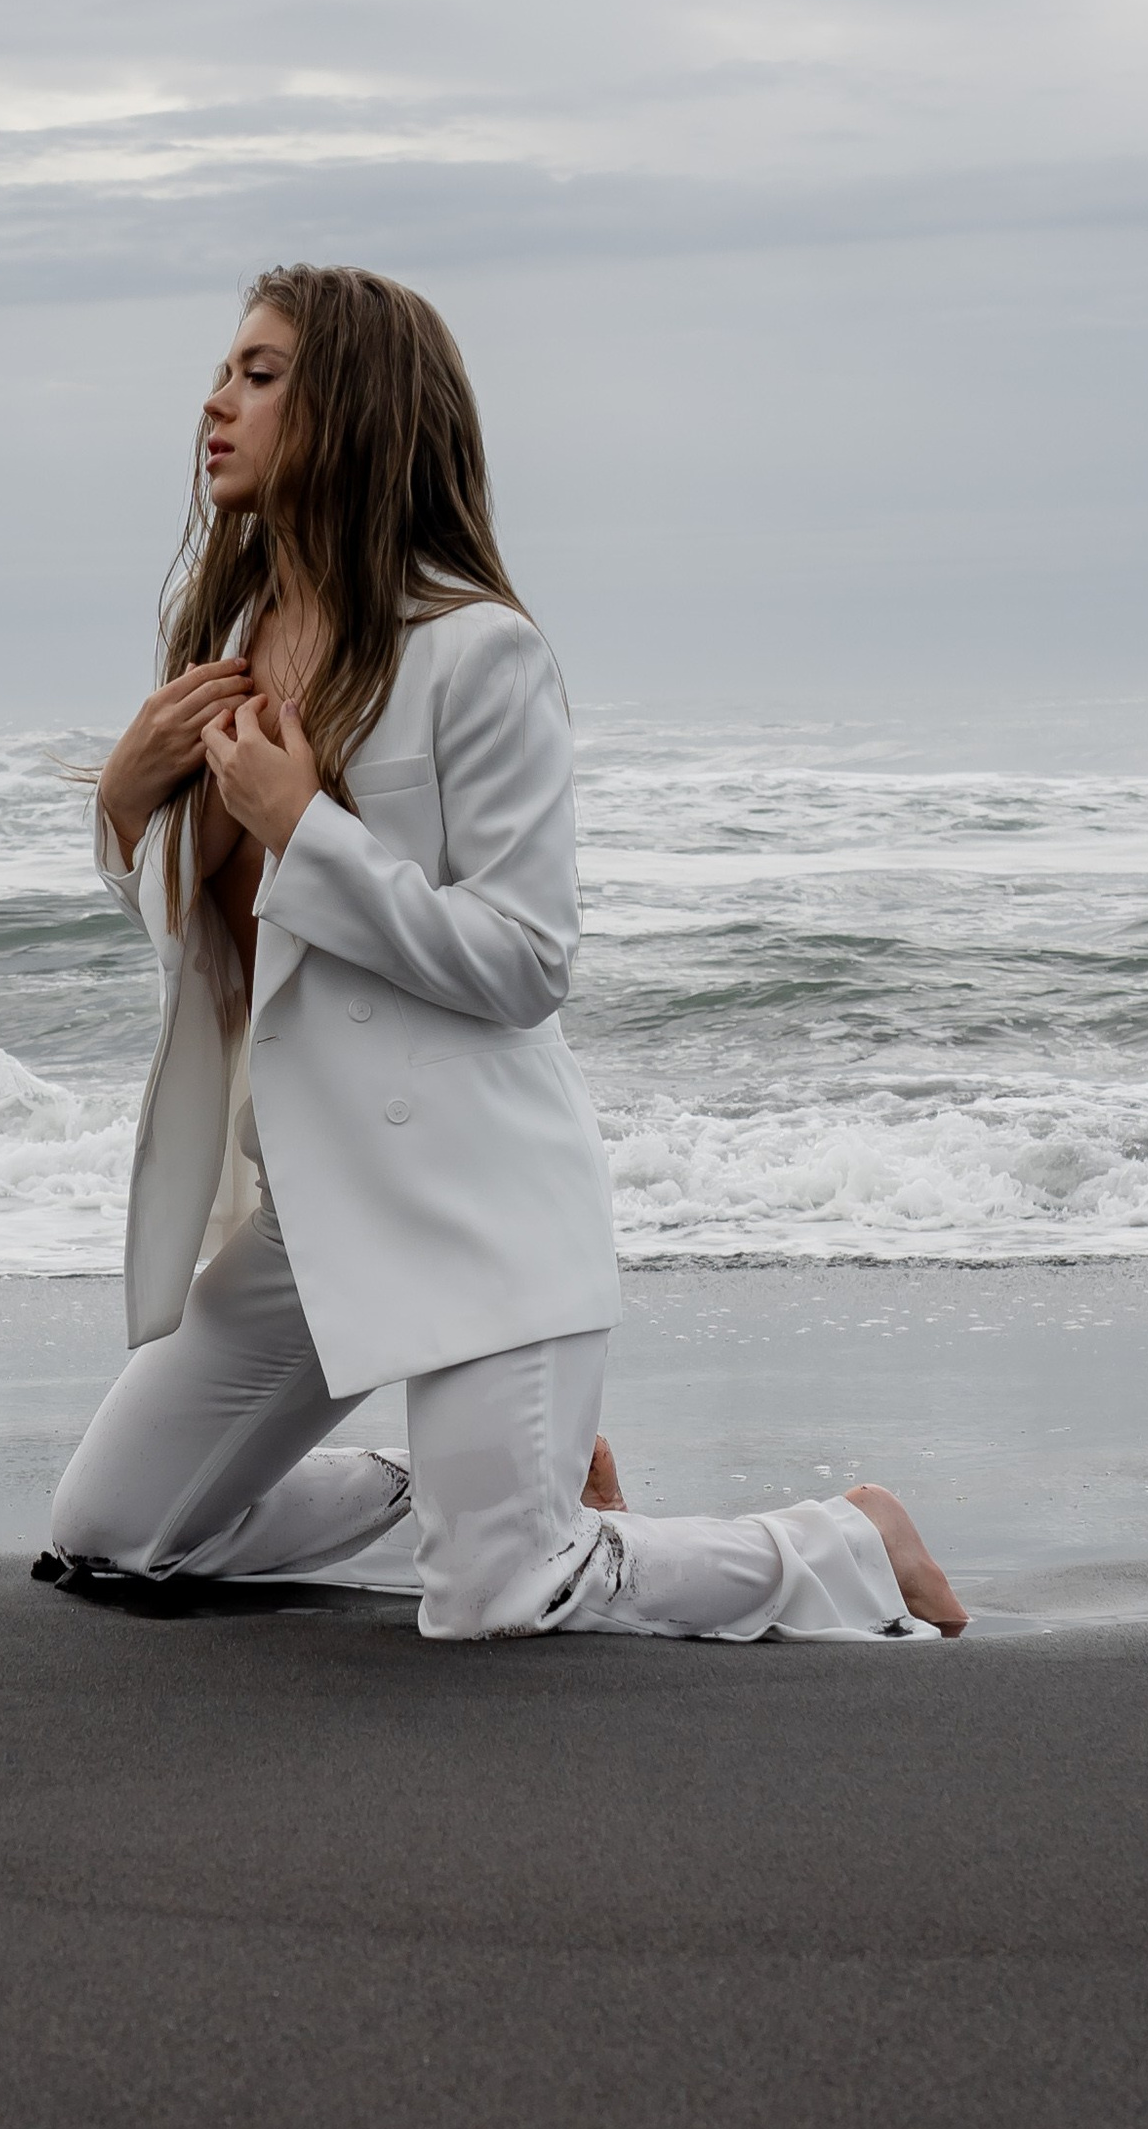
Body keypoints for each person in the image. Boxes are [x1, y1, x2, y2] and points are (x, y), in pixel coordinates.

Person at [49, 263, 968, 1644]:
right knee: (108, 1538)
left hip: (474, 1201)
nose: (214, 400)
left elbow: (526, 960)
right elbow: (232, 946)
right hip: (312, 1211)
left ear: (352, 408)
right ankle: (470, 1482)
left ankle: (842, 1540)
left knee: (497, 1601)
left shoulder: (481, 654)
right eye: (224, 368)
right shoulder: (234, 651)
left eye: (258, 371)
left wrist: (310, 829)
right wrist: (126, 807)